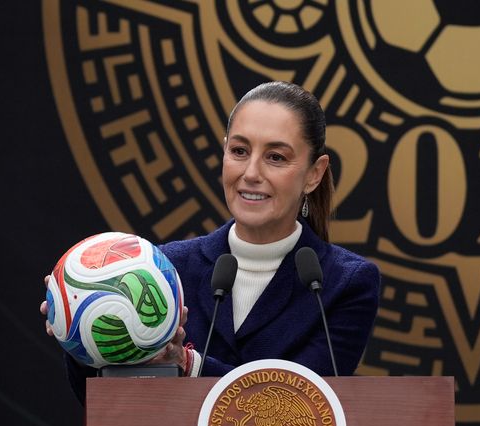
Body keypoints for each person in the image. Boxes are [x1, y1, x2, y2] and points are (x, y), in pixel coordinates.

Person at [42, 81, 380, 402]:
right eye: (239, 151)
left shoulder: (344, 284)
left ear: (314, 173)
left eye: (275, 157)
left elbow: (301, 406)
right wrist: (82, 328)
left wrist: (190, 366)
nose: (250, 173)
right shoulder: (164, 270)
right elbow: (106, 404)